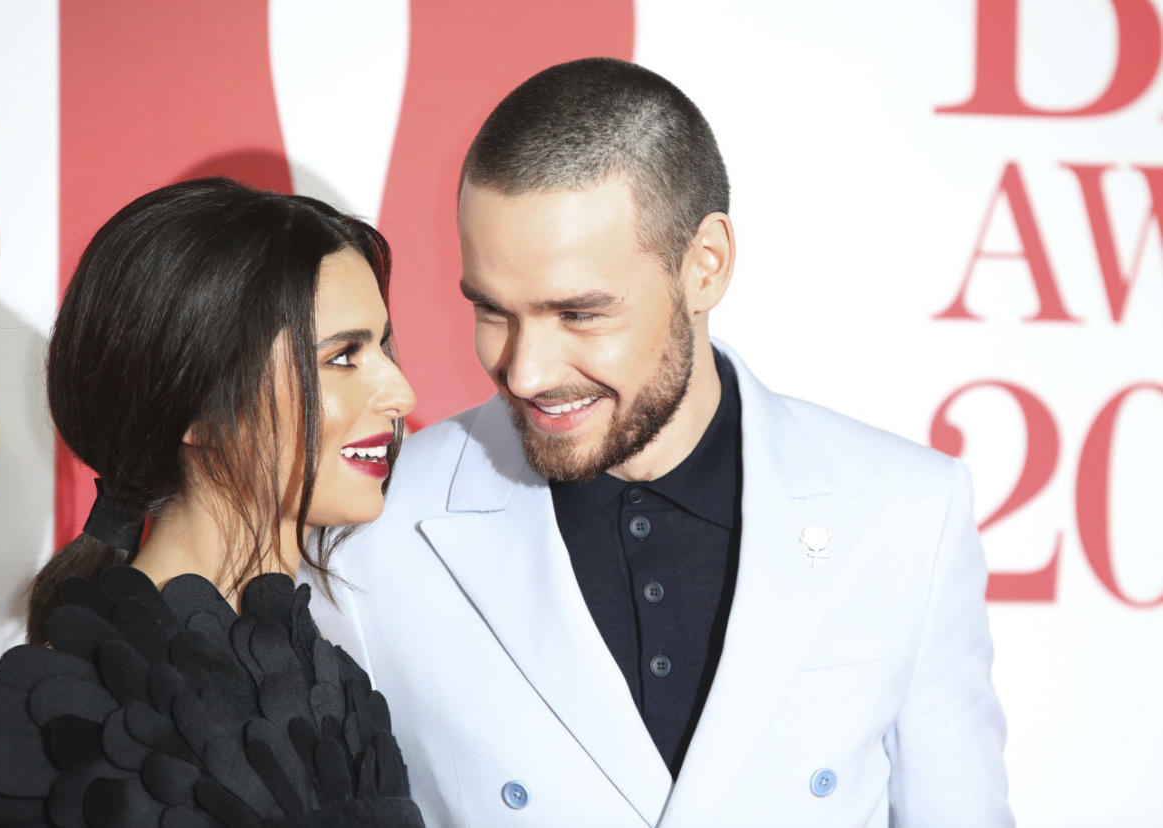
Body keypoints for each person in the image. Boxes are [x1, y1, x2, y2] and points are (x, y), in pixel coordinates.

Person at [304, 58, 1013, 826]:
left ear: (704, 267)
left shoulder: (907, 511)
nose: (526, 370)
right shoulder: (371, 531)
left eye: (578, 314)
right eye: (493, 310)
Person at [0, 178, 425, 827]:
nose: (401, 393)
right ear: (197, 406)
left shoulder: (332, 677)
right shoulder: (80, 722)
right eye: (343, 357)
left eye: (383, 347)